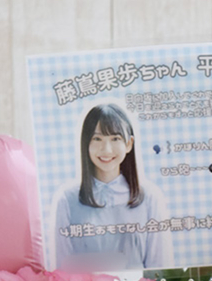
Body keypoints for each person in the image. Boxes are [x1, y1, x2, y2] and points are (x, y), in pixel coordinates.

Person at [52, 103, 173, 271]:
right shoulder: (68, 199)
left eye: (115, 139)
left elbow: (160, 268)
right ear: (86, 144)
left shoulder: (149, 197)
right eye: (97, 139)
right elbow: (63, 270)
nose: (106, 149)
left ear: (129, 144)